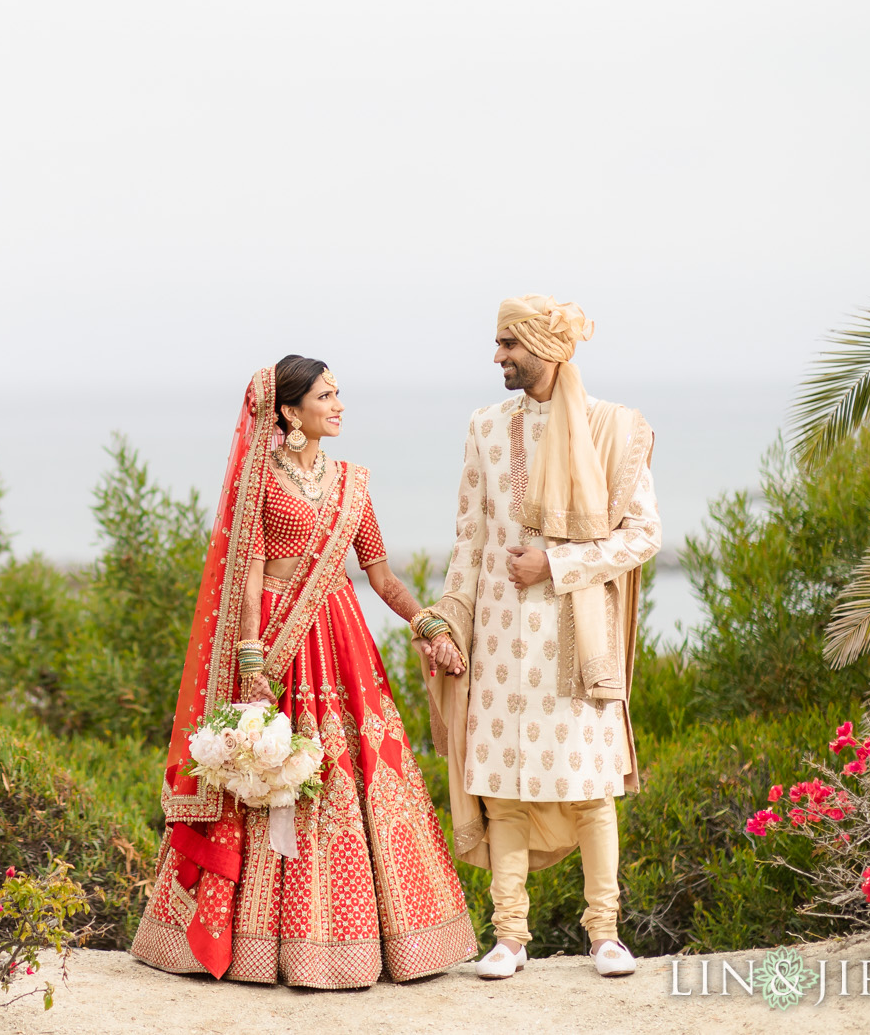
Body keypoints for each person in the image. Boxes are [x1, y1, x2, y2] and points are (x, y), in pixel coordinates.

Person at [130, 357, 478, 989]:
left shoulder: (352, 481)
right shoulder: (259, 479)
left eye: (339, 393)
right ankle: (257, 945)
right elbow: (250, 574)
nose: (339, 405)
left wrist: (424, 621)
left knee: (352, 774)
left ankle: (355, 942)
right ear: (290, 411)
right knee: (263, 774)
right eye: (326, 395)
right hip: (274, 640)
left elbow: (379, 574)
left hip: (340, 638)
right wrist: (252, 659)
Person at [414, 295, 659, 980]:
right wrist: (449, 621)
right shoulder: (485, 427)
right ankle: (510, 937)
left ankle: (605, 934)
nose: (498, 357)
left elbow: (643, 535)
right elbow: (469, 538)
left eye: (508, 344)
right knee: (503, 792)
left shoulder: (614, 427)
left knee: (590, 789)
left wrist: (557, 562)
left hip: (573, 640)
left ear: (546, 350)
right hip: (495, 642)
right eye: (497, 344)